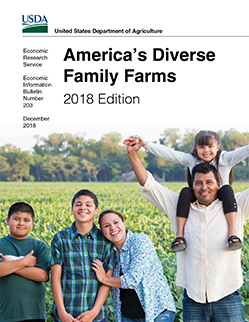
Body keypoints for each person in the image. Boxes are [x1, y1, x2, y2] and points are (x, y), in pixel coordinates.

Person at [125, 141, 249, 321]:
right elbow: (149, 185)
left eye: (209, 182)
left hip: (228, 295)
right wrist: (132, 154)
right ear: (192, 185)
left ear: (218, 183)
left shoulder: (236, 206)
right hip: (193, 300)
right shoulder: (178, 207)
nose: (203, 187)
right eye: (198, 183)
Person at [124, 131, 249, 252]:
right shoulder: (192, 160)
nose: (206, 150)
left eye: (210, 146)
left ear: (218, 148)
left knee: (227, 189)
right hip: (198, 196)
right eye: (202, 147)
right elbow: (170, 154)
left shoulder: (225, 159)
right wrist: (146, 144)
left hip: (222, 196)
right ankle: (179, 236)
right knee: (185, 192)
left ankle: (233, 233)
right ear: (196, 148)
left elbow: (244, 151)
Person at [92, 209, 176, 322]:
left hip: (157, 312)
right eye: (106, 226)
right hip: (128, 315)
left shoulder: (140, 241)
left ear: (123, 224)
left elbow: (132, 279)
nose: (112, 227)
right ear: (102, 232)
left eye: (116, 222)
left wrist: (104, 279)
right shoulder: (109, 251)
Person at [50, 189, 116, 322]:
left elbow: (106, 281)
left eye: (88, 205)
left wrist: (94, 312)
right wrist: (62, 313)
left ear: (96, 210)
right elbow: (55, 278)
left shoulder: (105, 241)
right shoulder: (61, 238)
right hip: (67, 314)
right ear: (72, 209)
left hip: (96, 316)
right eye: (78, 204)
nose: (83, 208)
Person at [0, 202, 50, 322]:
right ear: (7, 221)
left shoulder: (39, 246)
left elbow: (43, 276)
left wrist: (9, 264)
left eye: (26, 220)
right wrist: (24, 262)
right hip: (5, 314)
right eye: (16, 219)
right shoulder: (1, 244)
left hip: (34, 313)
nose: (21, 223)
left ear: (32, 224)